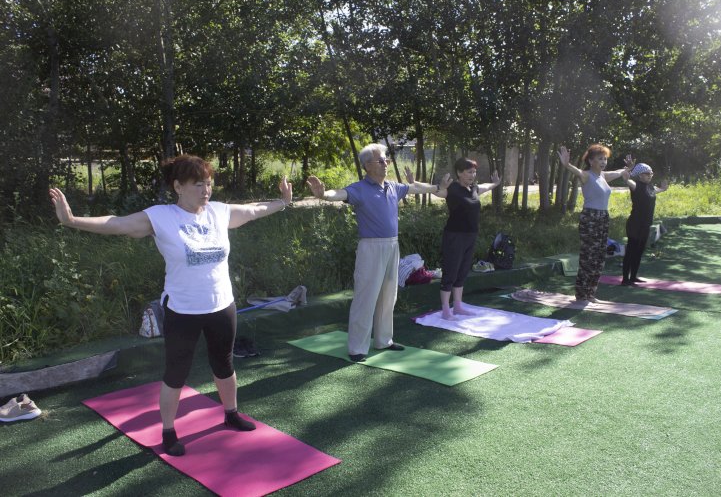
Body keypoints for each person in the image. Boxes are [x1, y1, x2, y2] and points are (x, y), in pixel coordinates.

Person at [49, 154, 292, 456]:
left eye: (208, 183)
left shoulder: (219, 212)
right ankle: (168, 431)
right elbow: (118, 224)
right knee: (176, 372)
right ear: (178, 186)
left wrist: (283, 202)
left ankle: (230, 414)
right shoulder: (160, 217)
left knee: (224, 364)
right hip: (183, 310)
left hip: (221, 305)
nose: (206, 190)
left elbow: (254, 209)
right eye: (197, 184)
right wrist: (72, 221)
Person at [306, 143, 448, 362]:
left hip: (393, 246)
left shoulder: (392, 187)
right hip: (371, 247)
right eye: (381, 161)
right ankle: (357, 348)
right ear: (367, 166)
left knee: (388, 297)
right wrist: (324, 194)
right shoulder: (359, 189)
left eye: (387, 161)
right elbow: (340, 193)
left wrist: (436, 187)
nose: (386, 164)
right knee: (366, 297)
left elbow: (414, 189)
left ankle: (383, 341)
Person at [558, 145, 629, 302]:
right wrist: (567, 165)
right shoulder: (587, 176)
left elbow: (618, 172)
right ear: (591, 161)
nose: (603, 162)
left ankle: (590, 293)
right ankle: (581, 294)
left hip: (603, 217)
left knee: (599, 257)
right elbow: (576, 171)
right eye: (600, 159)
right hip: (590, 218)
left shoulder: (603, 176)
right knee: (588, 257)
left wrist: (626, 169)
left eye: (605, 159)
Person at [432, 157, 501, 320]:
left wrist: (495, 183)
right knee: (451, 271)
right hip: (454, 236)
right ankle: (445, 310)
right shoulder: (452, 188)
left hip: (471, 235)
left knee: (463, 271)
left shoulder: (474, 189)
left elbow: (486, 186)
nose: (473, 175)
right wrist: (414, 183)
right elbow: (435, 191)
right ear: (459, 173)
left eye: (474, 172)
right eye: (469, 172)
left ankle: (457, 306)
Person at [620, 157, 669, 285]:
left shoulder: (650, 187)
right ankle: (625, 279)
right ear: (640, 175)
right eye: (647, 173)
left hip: (646, 225)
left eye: (651, 173)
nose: (650, 175)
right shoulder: (635, 185)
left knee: (640, 250)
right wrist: (629, 168)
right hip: (635, 224)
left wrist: (663, 189)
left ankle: (633, 277)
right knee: (631, 251)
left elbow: (656, 191)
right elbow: (626, 179)